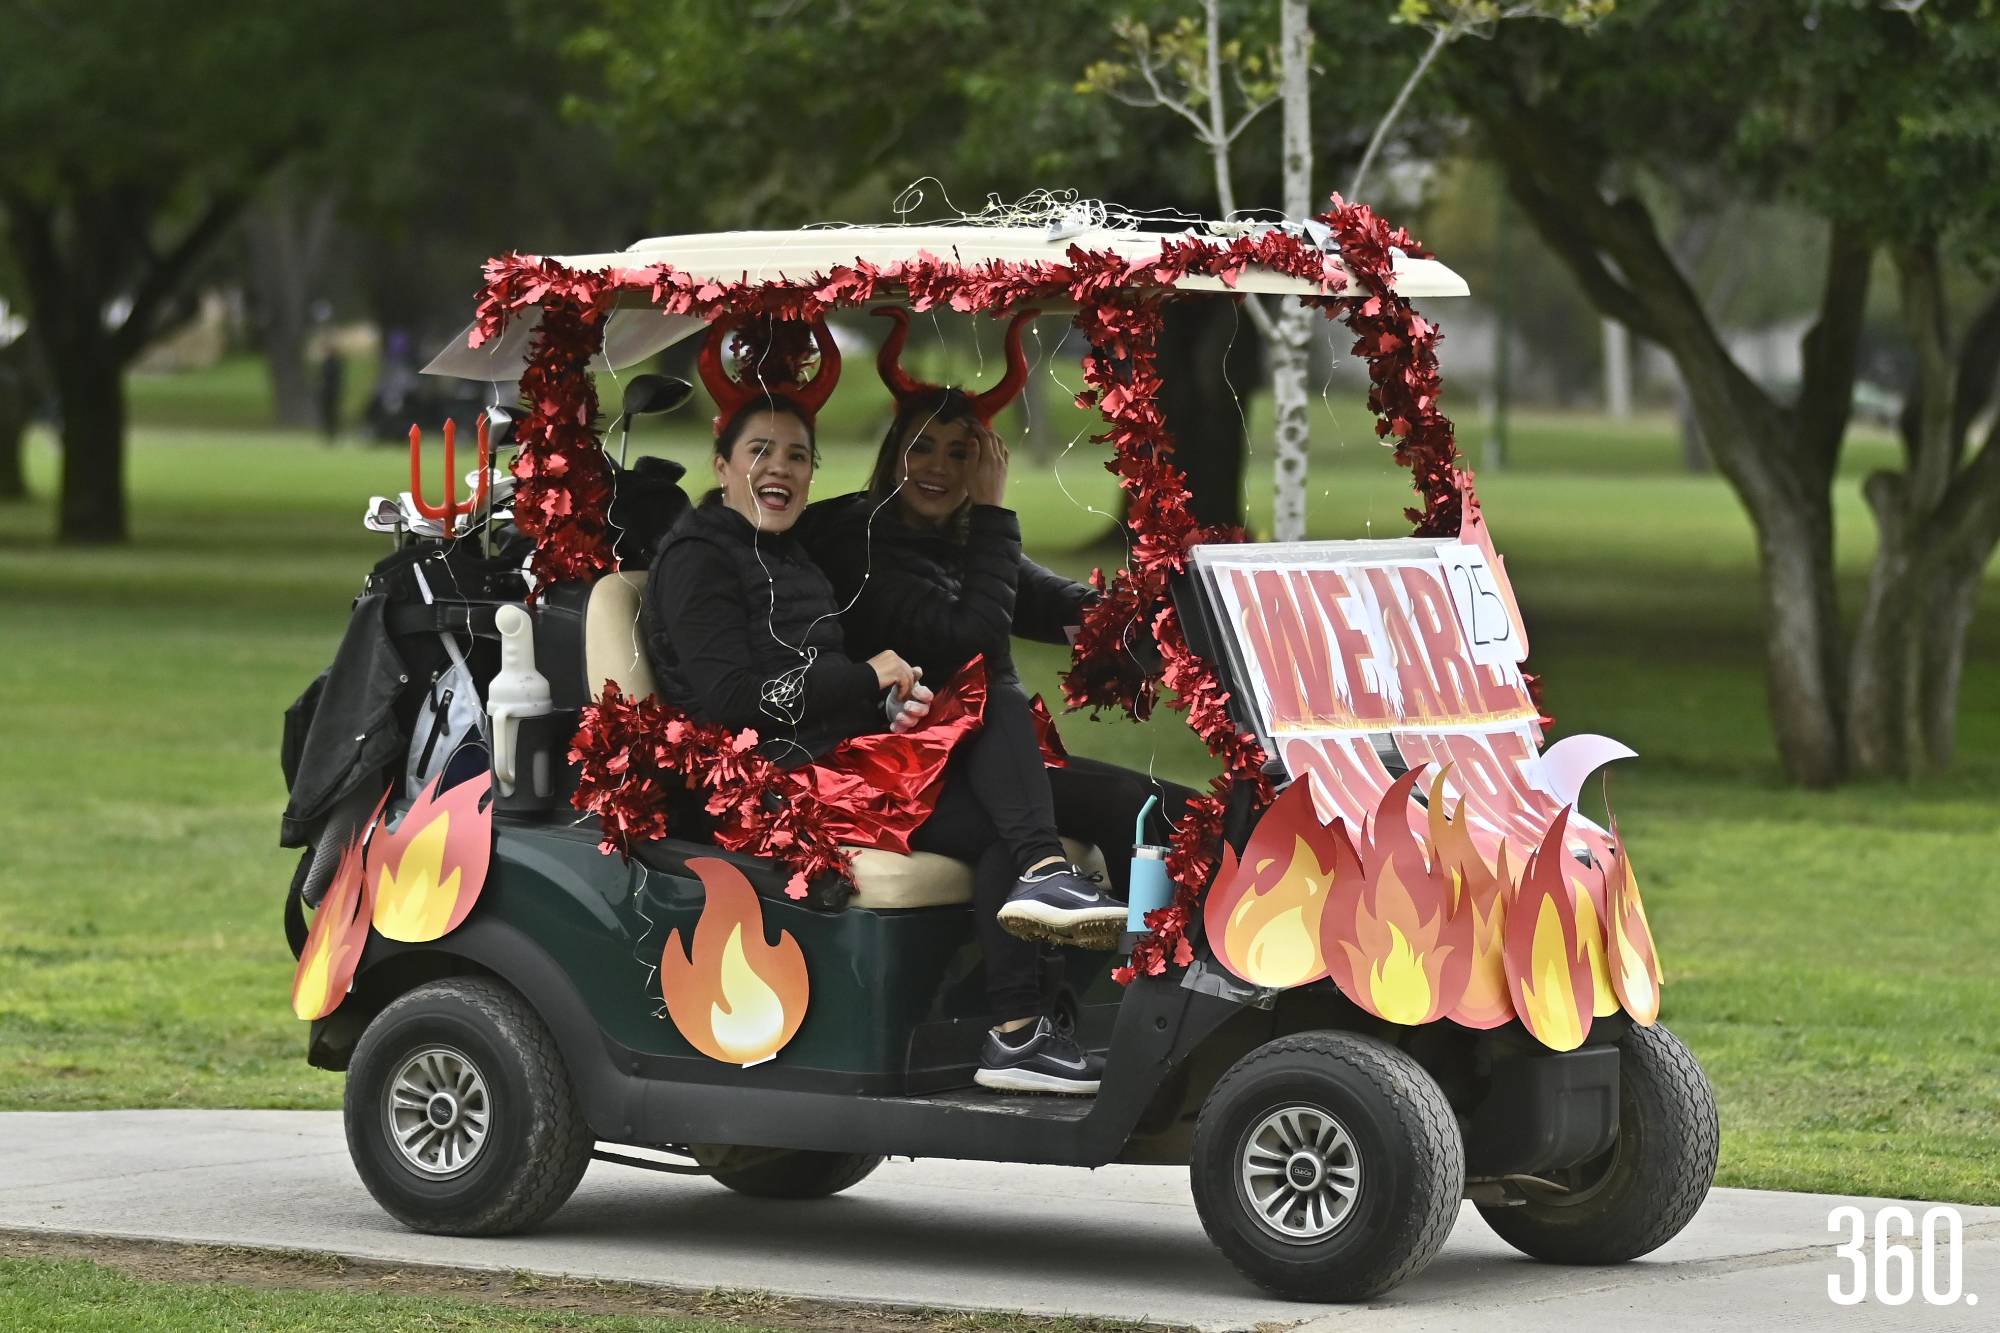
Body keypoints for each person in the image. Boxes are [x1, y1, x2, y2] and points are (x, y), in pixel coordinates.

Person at [645, 315, 1108, 1095]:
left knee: (1007, 822)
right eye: (760, 452)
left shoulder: (783, 546)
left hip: (832, 762)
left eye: (797, 455)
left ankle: (1018, 1029)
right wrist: (863, 680)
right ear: (721, 466)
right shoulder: (701, 557)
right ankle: (1041, 884)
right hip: (767, 786)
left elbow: (1014, 606)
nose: (780, 469)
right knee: (987, 697)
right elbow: (731, 704)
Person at [803, 307, 1195, 938]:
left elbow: (1050, 602)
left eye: (961, 453)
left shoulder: (959, 539)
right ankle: (1133, 969)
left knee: (1167, 808)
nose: (939, 467)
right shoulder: (862, 541)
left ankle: (1155, 962)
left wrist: (1150, 624)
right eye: (922, 447)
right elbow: (975, 639)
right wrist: (990, 511)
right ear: (893, 453)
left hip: (979, 754)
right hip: (902, 764)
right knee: (1126, 808)